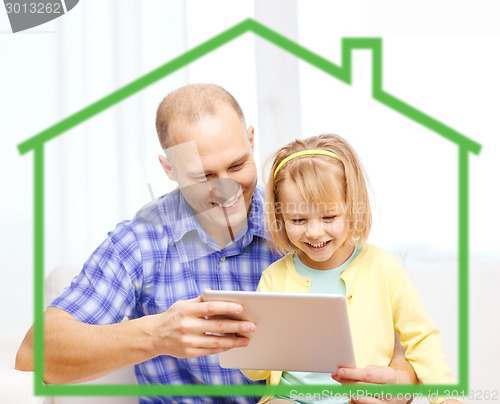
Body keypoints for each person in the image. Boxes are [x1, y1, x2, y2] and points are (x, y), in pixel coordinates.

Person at [16, 84, 418, 403]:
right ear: (169, 168)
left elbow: (394, 333)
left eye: (238, 165)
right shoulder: (139, 241)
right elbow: (35, 355)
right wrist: (156, 335)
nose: (225, 188)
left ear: (251, 139)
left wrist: (398, 380)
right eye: (202, 176)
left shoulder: (302, 225)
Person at [242, 134, 457, 404]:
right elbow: (257, 370)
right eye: (298, 219)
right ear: (280, 216)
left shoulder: (383, 267)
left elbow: (421, 337)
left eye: (329, 217)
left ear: (352, 209)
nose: (314, 232)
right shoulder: (274, 277)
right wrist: (248, 346)